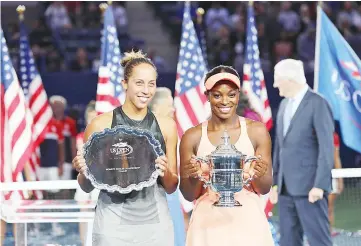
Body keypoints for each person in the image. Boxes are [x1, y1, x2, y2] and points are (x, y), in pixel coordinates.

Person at [72, 50, 179, 246]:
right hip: (112, 225)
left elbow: (172, 187)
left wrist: (163, 171)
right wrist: (84, 170)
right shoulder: (99, 125)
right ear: (124, 84)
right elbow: (86, 186)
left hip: (155, 226)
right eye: (139, 83)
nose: (146, 90)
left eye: (151, 84)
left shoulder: (166, 126)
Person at [179, 65, 274, 246]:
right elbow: (189, 194)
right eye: (217, 95)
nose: (225, 101)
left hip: (248, 222)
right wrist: (194, 175)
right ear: (207, 96)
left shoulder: (257, 131)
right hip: (208, 224)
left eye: (231, 94)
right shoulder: (192, 136)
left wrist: (259, 173)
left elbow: (264, 188)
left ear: (238, 95)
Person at [270, 59, 334, 246]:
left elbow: (326, 148)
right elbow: (279, 149)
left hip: (310, 189)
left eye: (278, 80)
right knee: (288, 242)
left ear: (290, 80)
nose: (275, 86)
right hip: (285, 191)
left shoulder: (318, 103)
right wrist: (275, 184)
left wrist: (320, 185)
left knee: (319, 241)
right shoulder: (283, 106)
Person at [149, 87, 190, 246]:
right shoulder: (147, 133)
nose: (173, 109)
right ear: (157, 107)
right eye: (170, 104)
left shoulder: (170, 130)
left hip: (172, 194)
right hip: (154, 198)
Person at [74, 100, 100, 246]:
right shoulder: (80, 136)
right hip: (85, 178)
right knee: (83, 211)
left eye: (95, 117)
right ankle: (84, 242)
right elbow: (83, 156)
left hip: (101, 180)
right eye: (90, 118)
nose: (92, 121)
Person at [50, 95, 78, 181]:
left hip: (67, 161)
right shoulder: (48, 123)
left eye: (59, 106)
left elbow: (73, 143)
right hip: (51, 163)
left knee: (65, 188)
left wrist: (74, 159)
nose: (57, 108)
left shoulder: (70, 123)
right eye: (54, 106)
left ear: (63, 108)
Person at [329, 132, 344, 235]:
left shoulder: (334, 136)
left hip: (330, 177)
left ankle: (328, 233)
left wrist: (340, 179)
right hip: (311, 178)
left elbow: (336, 158)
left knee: (329, 208)